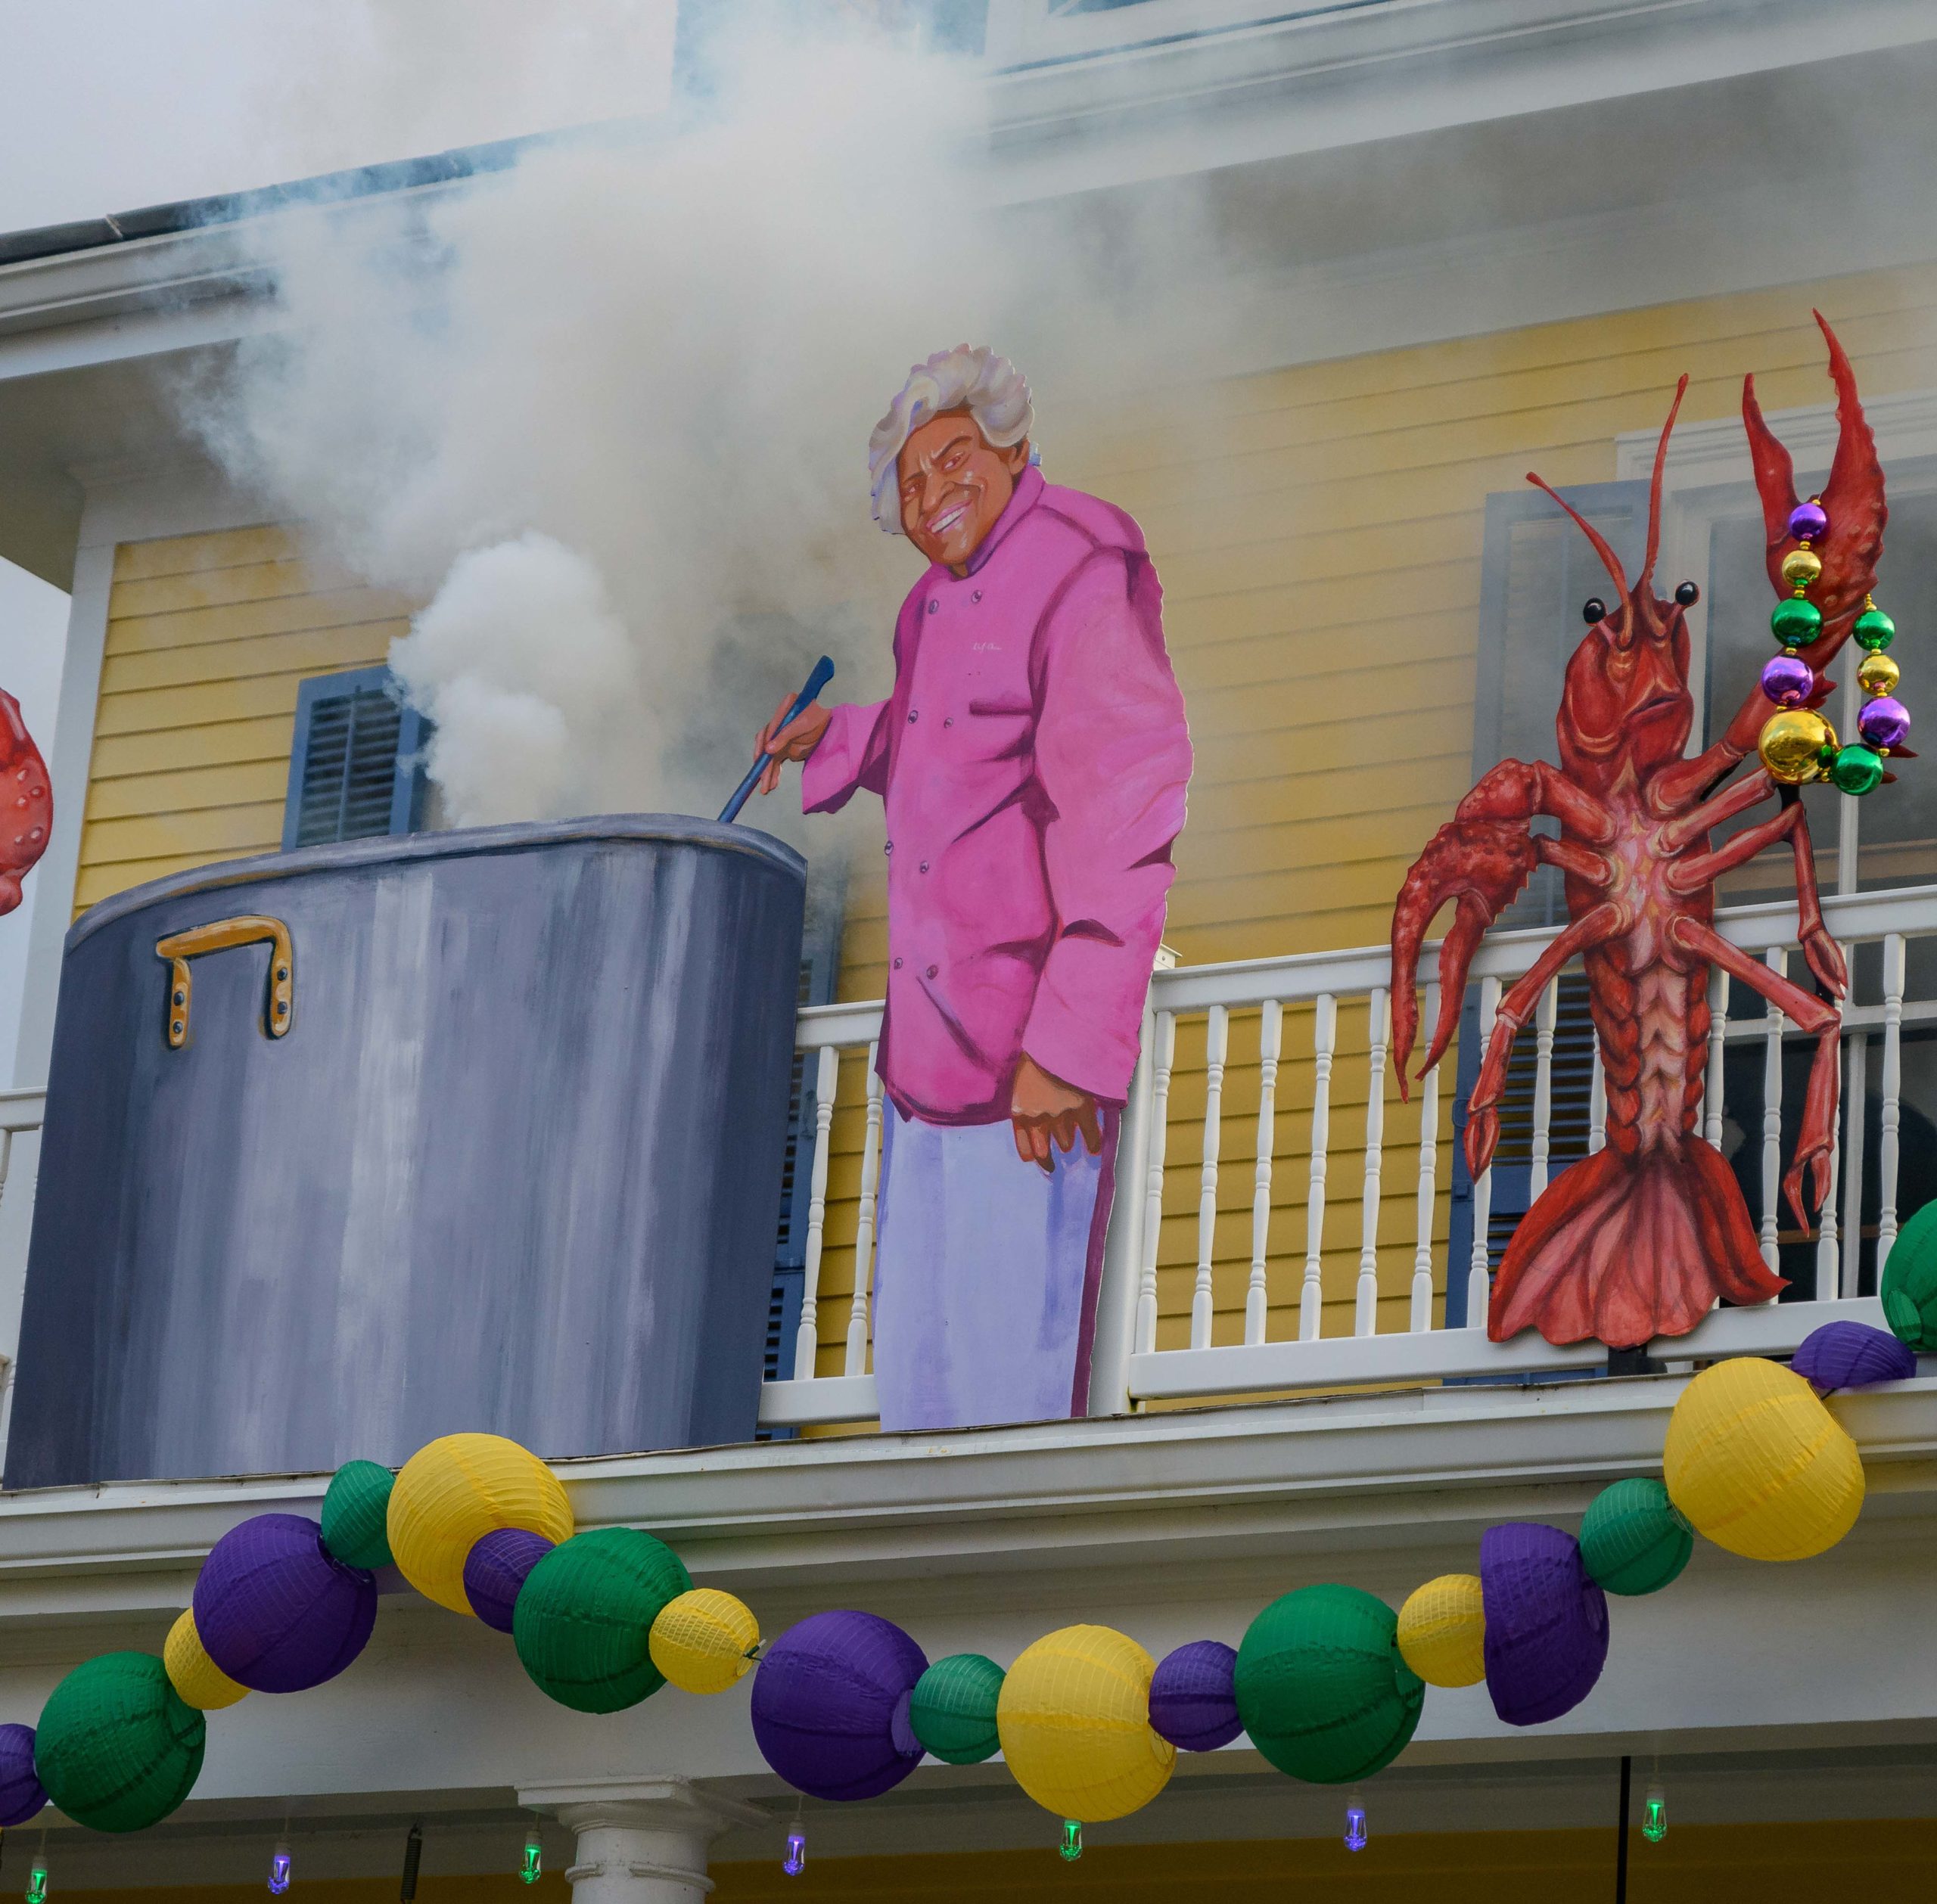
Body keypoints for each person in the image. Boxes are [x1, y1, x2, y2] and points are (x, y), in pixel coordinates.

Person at [757, 345, 1191, 1431]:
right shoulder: (923, 610)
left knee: (1008, 1418)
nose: (932, 492)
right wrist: (845, 737)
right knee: (919, 1404)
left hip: (1028, 1077)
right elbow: (944, 743)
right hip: (921, 1066)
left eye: (953, 459)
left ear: (1008, 448)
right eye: (907, 483)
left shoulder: (1089, 557)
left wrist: (1072, 1047)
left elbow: (1124, 804)